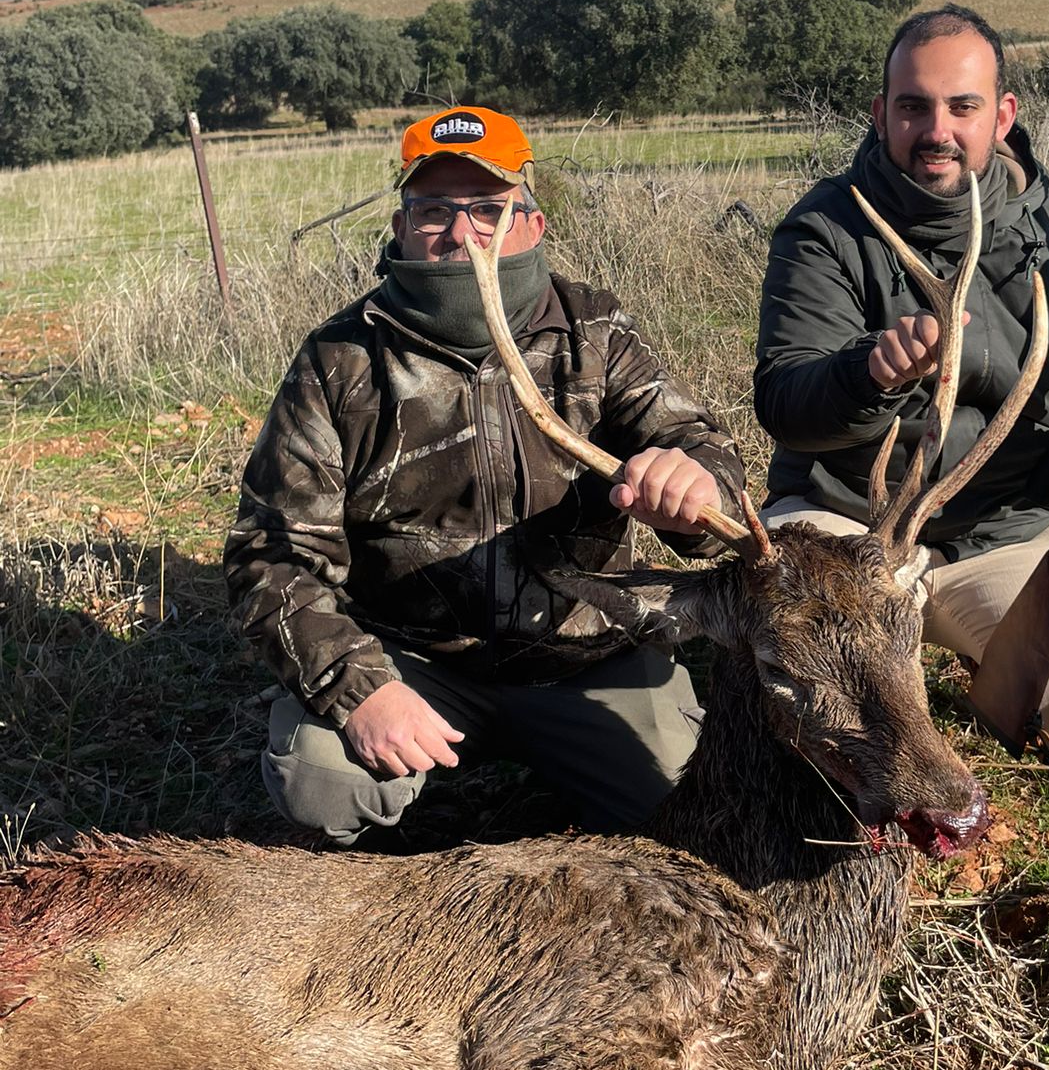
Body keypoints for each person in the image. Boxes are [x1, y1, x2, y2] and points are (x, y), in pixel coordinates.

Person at [227, 104, 745, 845]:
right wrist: (358, 687)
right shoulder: (339, 358)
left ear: (532, 223)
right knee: (323, 783)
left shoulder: (595, 331)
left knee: (689, 805)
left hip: (584, 656)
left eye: (488, 210)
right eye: (433, 210)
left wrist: (697, 485)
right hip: (412, 661)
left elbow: (699, 451)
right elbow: (271, 555)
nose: (461, 232)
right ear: (401, 226)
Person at [753, 5, 1049, 751]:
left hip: (1005, 533)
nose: (938, 130)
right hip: (846, 527)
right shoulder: (823, 231)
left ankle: (970, 646)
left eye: (963, 107)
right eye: (913, 107)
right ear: (881, 115)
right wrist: (868, 375)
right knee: (805, 716)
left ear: (1002, 116)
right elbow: (785, 405)